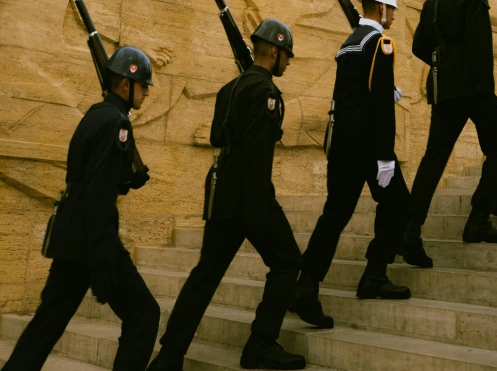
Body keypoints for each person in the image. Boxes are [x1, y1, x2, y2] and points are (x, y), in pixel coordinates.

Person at [148, 20, 305, 371]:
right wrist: (257, 210)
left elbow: (218, 137)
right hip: (250, 192)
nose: (289, 63)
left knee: (206, 274)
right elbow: (259, 153)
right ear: (275, 51)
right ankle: (261, 344)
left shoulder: (229, 89)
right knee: (288, 261)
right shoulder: (265, 93)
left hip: (222, 188)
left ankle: (169, 355)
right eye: (287, 55)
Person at [2, 47, 160, 371]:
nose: (147, 90)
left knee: (46, 324)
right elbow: (99, 198)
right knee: (145, 314)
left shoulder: (94, 115)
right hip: (94, 237)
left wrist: (126, 180)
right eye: (142, 84)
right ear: (125, 85)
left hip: (73, 236)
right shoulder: (117, 123)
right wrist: (103, 264)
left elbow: (86, 176)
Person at [291, 0, 411, 331]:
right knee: (399, 203)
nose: (392, 16)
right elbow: (379, 109)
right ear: (382, 7)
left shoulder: (348, 44)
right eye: (391, 10)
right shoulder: (380, 43)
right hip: (370, 147)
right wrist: (386, 156)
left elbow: (354, 92)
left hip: (343, 143)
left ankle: (306, 285)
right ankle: (374, 274)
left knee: (335, 214)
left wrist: (386, 90)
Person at [403, 0, 497, 270]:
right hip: (474, 90)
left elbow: (420, 46)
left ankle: (410, 232)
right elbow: (480, 49)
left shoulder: (432, 0)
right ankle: (478, 219)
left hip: (443, 90)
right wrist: (487, 93)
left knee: (433, 160)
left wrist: (444, 60)